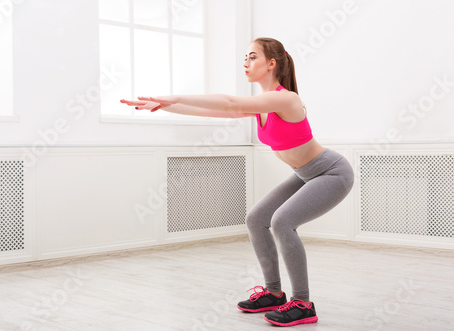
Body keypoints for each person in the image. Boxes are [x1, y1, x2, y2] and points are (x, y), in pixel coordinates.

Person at [121, 37, 354, 327]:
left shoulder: (286, 99)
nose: (245, 62)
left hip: (331, 173)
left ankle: (304, 304)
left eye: (252, 57)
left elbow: (230, 101)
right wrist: (164, 105)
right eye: (245, 56)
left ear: (271, 64)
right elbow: (218, 110)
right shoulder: (261, 105)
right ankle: (273, 294)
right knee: (257, 218)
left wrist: (174, 96)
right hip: (305, 174)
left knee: (282, 221)